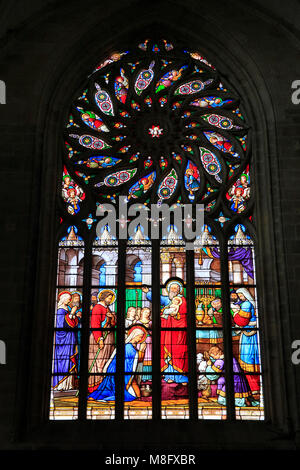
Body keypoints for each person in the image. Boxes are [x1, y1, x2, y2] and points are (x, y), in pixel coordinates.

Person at [143, 280, 188, 385]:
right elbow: (156, 298)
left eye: (175, 288)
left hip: (179, 332)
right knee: (166, 351)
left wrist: (175, 315)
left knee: (178, 352)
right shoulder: (167, 300)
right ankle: (169, 376)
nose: (173, 290)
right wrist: (148, 292)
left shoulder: (183, 300)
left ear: (179, 290)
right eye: (171, 288)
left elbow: (183, 315)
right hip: (166, 331)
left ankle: (180, 376)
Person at [88, 326, 147, 401]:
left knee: (137, 394)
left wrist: (142, 350)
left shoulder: (130, 346)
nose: (140, 339)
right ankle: (97, 396)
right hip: (119, 373)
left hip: (125, 372)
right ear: (134, 335)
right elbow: (138, 359)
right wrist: (142, 350)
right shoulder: (129, 347)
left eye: (141, 337)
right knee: (132, 394)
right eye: (139, 337)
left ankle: (97, 396)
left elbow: (136, 360)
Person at [88, 290, 116, 393]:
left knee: (106, 360)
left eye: (111, 298)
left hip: (108, 337)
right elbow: (95, 325)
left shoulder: (107, 308)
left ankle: (105, 385)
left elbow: (113, 324)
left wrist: (112, 317)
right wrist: (99, 339)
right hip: (99, 338)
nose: (110, 300)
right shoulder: (97, 308)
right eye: (109, 298)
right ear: (103, 297)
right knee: (98, 361)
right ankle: (95, 386)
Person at [234, 288, 260, 394]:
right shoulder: (246, 304)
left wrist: (235, 313)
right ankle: (255, 388)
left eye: (241, 295)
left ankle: (255, 388)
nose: (240, 297)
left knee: (249, 361)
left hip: (249, 336)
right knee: (252, 362)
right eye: (239, 296)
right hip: (249, 334)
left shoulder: (246, 305)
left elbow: (242, 321)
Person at [52, 291, 79, 391]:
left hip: (69, 338)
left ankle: (68, 385)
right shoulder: (60, 311)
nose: (70, 300)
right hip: (63, 341)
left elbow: (72, 323)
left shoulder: (66, 309)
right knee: (64, 360)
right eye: (68, 298)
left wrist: (74, 315)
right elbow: (61, 327)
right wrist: (72, 313)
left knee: (69, 361)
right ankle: (61, 385)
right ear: (63, 299)